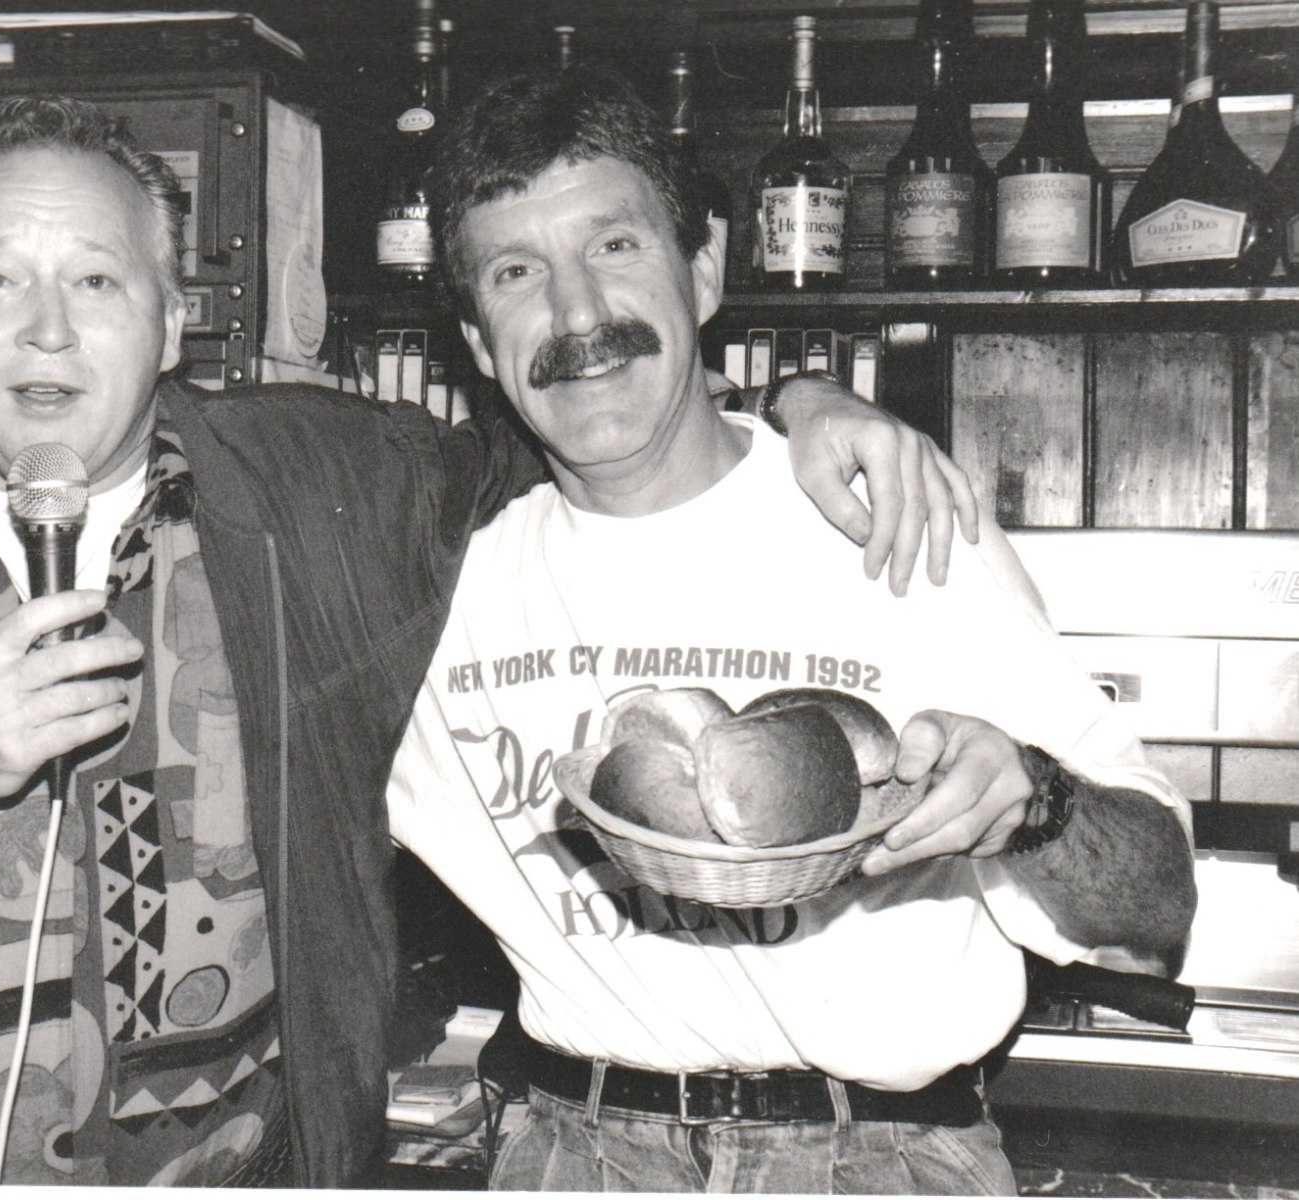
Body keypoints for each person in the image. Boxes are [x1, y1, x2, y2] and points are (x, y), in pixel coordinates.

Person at [0, 96, 968, 1187]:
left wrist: (792, 403)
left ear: (172, 320)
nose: (47, 328)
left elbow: (583, 419)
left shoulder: (321, 494)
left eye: (97, 280)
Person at [386, 64, 1199, 1195]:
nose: (575, 315)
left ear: (703, 269)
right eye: (516, 273)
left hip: (884, 1160)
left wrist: (1036, 803)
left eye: (614, 246)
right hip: (575, 1156)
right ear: (477, 342)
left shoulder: (891, 517)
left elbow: (1156, 907)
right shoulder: (435, 583)